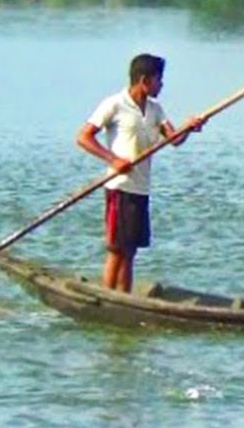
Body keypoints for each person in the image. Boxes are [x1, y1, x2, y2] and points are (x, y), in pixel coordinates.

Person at [76, 53, 204, 293]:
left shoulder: (156, 110)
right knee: (117, 248)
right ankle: (108, 297)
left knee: (131, 249)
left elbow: (174, 140)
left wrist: (189, 128)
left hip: (141, 188)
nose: (162, 85)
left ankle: (124, 296)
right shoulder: (114, 104)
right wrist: (113, 160)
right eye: (159, 79)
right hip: (120, 186)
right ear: (144, 80)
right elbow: (83, 137)